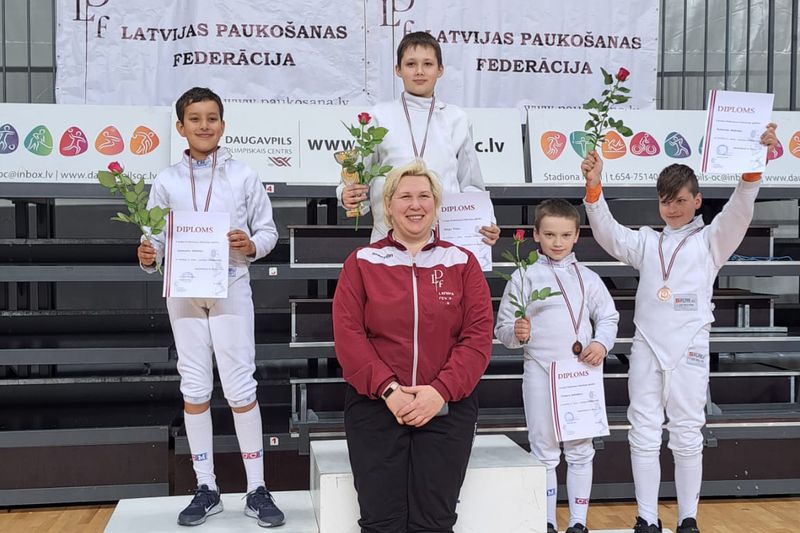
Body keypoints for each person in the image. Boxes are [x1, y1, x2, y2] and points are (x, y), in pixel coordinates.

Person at [580, 123, 778, 533]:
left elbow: (739, 209)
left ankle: (688, 519)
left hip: (690, 345)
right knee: (643, 432)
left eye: (681, 201)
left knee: (687, 432)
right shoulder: (647, 243)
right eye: (666, 201)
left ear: (697, 201)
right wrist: (595, 189)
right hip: (648, 346)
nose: (673, 209)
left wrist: (753, 166)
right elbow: (609, 234)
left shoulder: (711, 241)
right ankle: (646, 518)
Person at [137, 87, 284, 528]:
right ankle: (207, 488)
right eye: (195, 119)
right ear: (180, 127)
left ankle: (256, 488)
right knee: (195, 387)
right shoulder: (166, 181)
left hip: (230, 284)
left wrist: (251, 244)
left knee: (240, 386)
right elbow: (154, 240)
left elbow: (269, 231)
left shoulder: (243, 175)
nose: (205, 125)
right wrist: (148, 255)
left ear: (223, 124)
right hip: (184, 291)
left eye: (212, 118)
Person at [332, 159, 494, 533]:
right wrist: (389, 391)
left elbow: (477, 337)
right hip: (376, 406)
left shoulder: (462, 262)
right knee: (380, 522)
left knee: (435, 522)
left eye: (424, 196)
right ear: (388, 205)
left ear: (436, 205)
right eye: (405, 196)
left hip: (446, 407)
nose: (415, 205)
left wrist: (440, 391)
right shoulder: (362, 262)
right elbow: (349, 337)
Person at [494, 199, 619, 533]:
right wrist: (517, 333)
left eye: (565, 235)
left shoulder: (589, 278)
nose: (558, 242)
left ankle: (578, 522)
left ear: (577, 235)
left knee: (580, 450)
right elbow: (503, 329)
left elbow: (608, 317)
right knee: (544, 450)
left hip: (580, 373)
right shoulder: (523, 277)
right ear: (536, 234)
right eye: (549, 234)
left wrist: (601, 343)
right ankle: (546, 521)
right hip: (540, 371)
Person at [337, 31, 500, 246]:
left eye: (428, 64)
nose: (419, 71)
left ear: (440, 70)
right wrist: (347, 194)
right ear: (398, 69)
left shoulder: (456, 118)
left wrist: (486, 220)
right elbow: (356, 176)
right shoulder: (379, 116)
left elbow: (471, 185)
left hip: (445, 239)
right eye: (411, 64)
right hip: (389, 237)